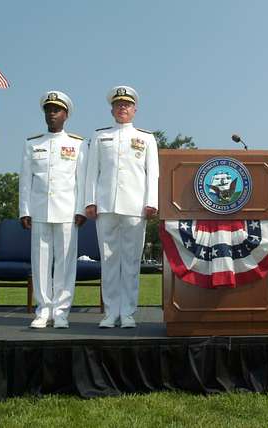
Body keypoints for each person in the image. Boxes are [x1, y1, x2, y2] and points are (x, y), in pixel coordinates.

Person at [85, 85, 159, 328]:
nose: (122, 108)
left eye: (126, 105)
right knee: (108, 261)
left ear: (135, 110)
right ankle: (110, 312)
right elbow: (91, 172)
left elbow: (152, 174)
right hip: (106, 205)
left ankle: (127, 311)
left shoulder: (146, 137)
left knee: (131, 261)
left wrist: (152, 202)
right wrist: (90, 201)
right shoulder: (100, 136)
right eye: (118, 105)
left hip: (136, 206)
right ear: (112, 109)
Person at [19, 91, 88, 329]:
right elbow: (25, 181)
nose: (51, 114)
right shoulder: (32, 143)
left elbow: (82, 180)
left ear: (66, 115)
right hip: (39, 210)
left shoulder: (77, 144)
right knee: (40, 263)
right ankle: (42, 310)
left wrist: (82, 209)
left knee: (65, 264)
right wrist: (24, 210)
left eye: (56, 110)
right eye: (48, 110)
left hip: (68, 211)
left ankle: (61, 312)